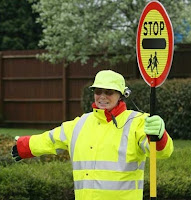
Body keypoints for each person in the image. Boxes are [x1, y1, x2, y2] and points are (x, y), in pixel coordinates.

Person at [11, 70, 173, 200]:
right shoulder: (80, 123)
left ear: (122, 95)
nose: (102, 96)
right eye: (98, 91)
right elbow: (51, 139)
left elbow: (159, 152)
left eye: (109, 92)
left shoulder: (138, 122)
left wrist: (159, 136)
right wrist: (24, 146)